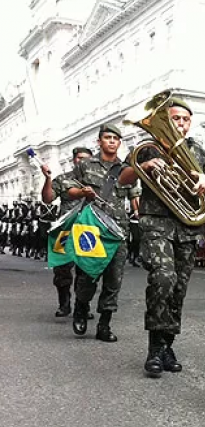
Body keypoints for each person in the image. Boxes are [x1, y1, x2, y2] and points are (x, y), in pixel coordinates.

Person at [118, 96, 205, 377]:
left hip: (186, 226)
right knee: (162, 278)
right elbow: (124, 179)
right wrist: (144, 167)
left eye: (185, 119)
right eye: (175, 118)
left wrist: (204, 181)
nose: (180, 124)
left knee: (178, 289)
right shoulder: (147, 149)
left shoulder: (199, 152)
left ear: (190, 123)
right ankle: (153, 347)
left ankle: (167, 345)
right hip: (156, 223)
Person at [66, 125, 139, 342]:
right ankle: (81, 307)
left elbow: (134, 197)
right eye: (107, 137)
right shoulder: (86, 166)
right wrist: (81, 192)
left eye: (116, 138)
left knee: (114, 279)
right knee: (88, 275)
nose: (112, 141)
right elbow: (67, 188)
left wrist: (140, 218)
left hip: (117, 231)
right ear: (99, 141)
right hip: (91, 229)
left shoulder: (126, 169)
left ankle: (104, 323)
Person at [41, 147, 93, 318]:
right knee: (62, 269)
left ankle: (83, 305)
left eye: (86, 158)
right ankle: (64, 303)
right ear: (73, 160)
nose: (82, 161)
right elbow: (48, 198)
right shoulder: (64, 179)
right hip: (65, 230)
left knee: (86, 270)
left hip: (87, 231)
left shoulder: (96, 180)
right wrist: (48, 178)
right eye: (79, 158)